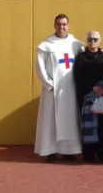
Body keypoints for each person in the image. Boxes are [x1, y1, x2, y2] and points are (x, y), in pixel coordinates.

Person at [34, 14, 84, 162]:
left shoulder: (76, 44)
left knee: (70, 120)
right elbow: (39, 66)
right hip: (53, 90)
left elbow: (84, 62)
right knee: (51, 121)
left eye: (64, 24)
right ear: (54, 25)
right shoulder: (47, 44)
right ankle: (50, 150)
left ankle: (69, 151)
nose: (61, 27)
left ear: (68, 25)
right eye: (58, 24)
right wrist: (49, 83)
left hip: (71, 89)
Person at [73, 30, 103, 163]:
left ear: (100, 41)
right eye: (90, 39)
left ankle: (102, 154)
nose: (93, 42)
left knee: (102, 126)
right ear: (87, 41)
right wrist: (92, 88)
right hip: (86, 96)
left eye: (95, 39)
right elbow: (77, 77)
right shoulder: (81, 57)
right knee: (88, 126)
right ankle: (88, 154)